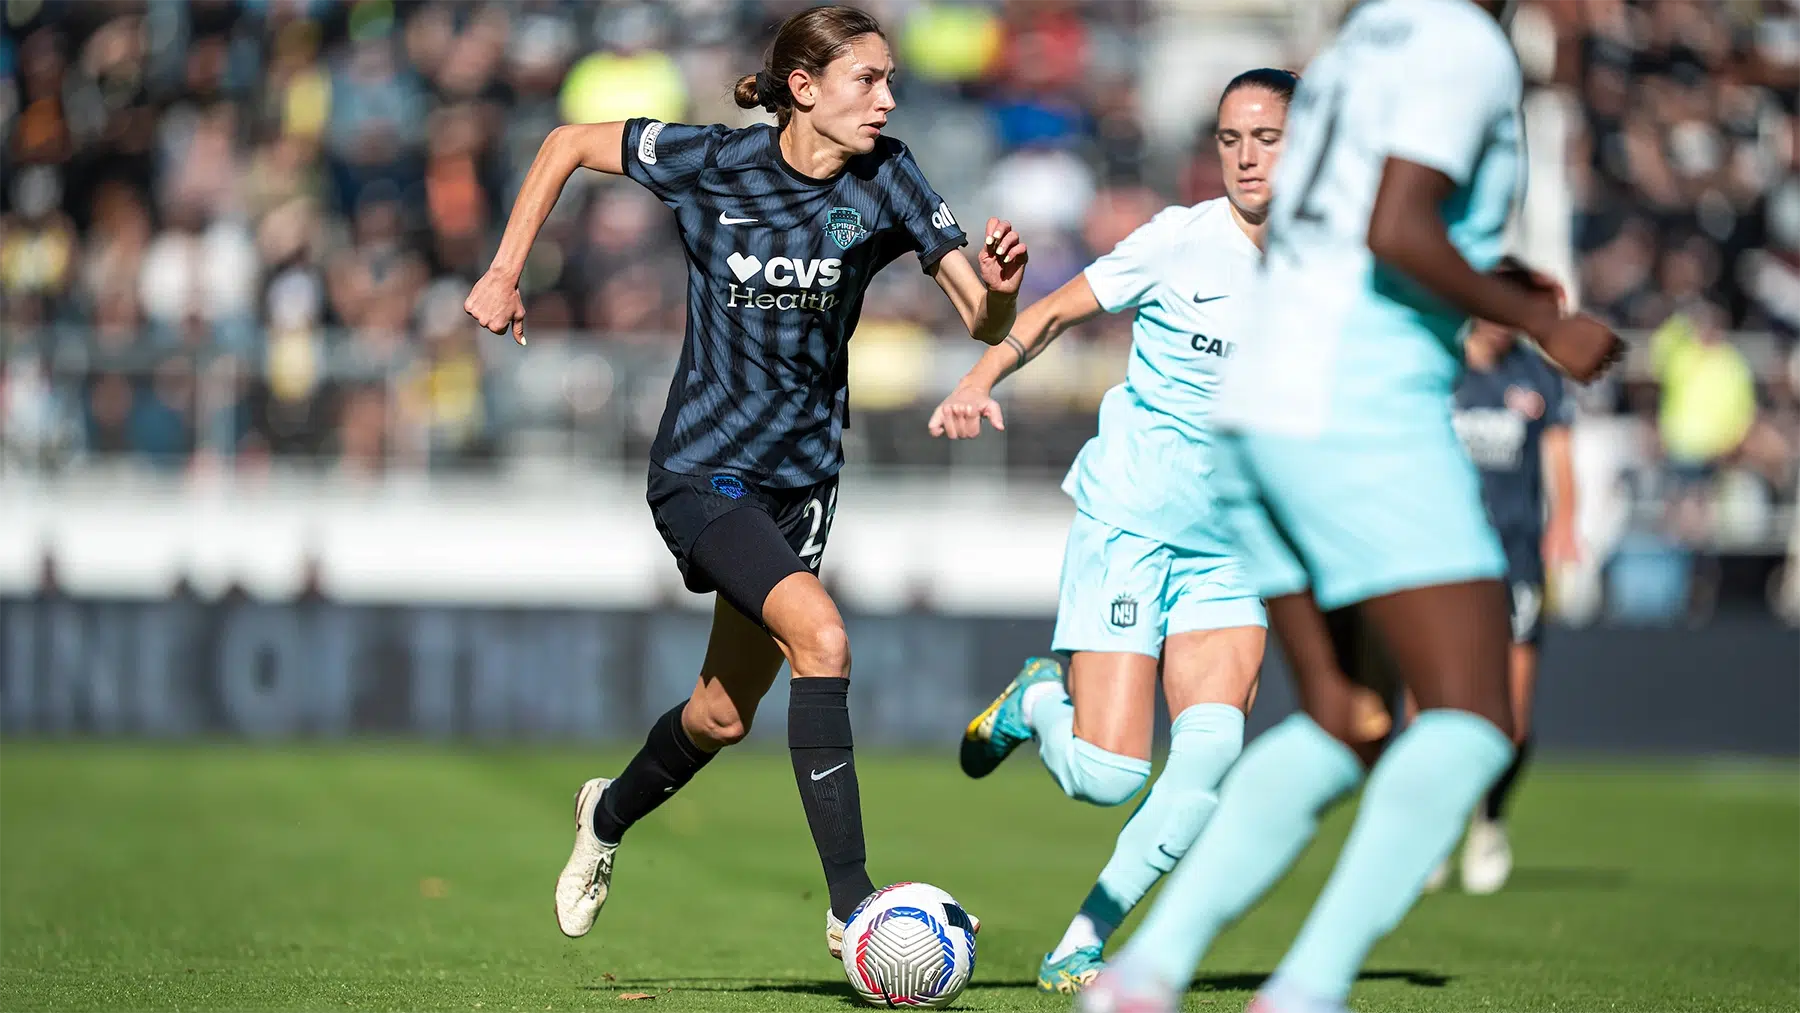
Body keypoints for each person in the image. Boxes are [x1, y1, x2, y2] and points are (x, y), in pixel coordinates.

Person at [1079, 1, 1621, 1011]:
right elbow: (1398, 226)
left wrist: (1474, 286)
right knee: (1473, 718)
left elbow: (1346, 235)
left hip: (1253, 404)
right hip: (1356, 408)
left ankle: (1142, 975)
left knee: (1347, 718)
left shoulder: (1351, 50)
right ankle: (1307, 988)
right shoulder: (1462, 42)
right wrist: (1543, 318)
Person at [463, 4, 1028, 956]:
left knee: (721, 714)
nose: (888, 100)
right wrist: (506, 269)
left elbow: (979, 316)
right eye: (869, 81)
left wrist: (1005, 284)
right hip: (702, 472)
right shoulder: (714, 162)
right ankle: (856, 906)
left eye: (890, 81)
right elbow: (564, 141)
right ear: (804, 90)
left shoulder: (889, 178)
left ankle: (604, 816)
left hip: (802, 486)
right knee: (824, 634)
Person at [928, 68, 1296, 994]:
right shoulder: (1182, 240)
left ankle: (1083, 940)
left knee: (1211, 754)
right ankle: (1035, 701)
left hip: (1239, 546)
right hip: (1133, 520)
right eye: (1231, 139)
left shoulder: (1342, 263)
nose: (1247, 157)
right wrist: (978, 382)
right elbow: (1052, 310)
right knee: (1104, 774)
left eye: (1270, 137)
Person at [1419, 256, 1578, 895]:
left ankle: (1489, 818)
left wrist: (1566, 519)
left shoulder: (1537, 378)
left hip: (1513, 559)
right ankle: (1427, 830)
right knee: (1428, 707)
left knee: (1510, 717)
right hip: (1441, 559)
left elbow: (1560, 460)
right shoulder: (1438, 370)